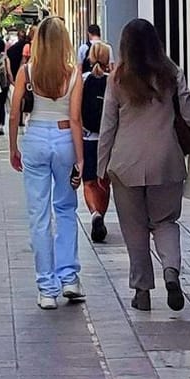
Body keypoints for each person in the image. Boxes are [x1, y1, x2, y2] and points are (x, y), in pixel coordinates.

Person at [99, 18, 190, 311]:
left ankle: (142, 291)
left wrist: (100, 168)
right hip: (167, 162)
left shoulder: (117, 79)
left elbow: (108, 127)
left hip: (125, 166)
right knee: (165, 221)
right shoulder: (172, 74)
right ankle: (171, 271)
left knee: (134, 229)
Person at [8, 16, 82, 309]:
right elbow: (75, 119)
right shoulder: (73, 74)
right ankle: (69, 278)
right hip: (64, 138)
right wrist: (81, 158)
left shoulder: (27, 71)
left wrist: (13, 147)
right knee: (65, 209)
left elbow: (15, 113)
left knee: (39, 215)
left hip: (36, 136)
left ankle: (46, 288)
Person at [74, 41, 113, 242]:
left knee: (88, 182)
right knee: (104, 182)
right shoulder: (113, 81)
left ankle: (94, 213)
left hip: (87, 138)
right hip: (107, 141)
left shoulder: (82, 80)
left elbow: (75, 111)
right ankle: (101, 216)